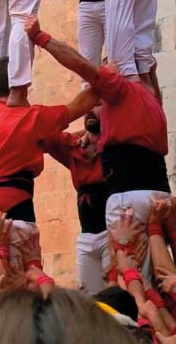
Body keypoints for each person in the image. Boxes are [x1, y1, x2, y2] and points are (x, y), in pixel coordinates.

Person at [26, 17, 173, 281]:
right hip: (89, 235)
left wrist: (41, 37)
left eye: (98, 100)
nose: (94, 108)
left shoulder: (123, 121)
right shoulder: (75, 146)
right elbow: (41, 135)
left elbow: (85, 67)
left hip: (116, 225)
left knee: (129, 284)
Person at [0, 60, 95, 298]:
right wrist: (108, 76)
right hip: (10, 217)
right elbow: (84, 103)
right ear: (22, 83)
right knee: (8, 298)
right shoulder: (29, 116)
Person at [42, 112, 110, 292]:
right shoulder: (75, 149)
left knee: (117, 295)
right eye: (86, 108)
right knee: (90, 299)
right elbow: (46, 136)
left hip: (112, 234)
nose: (91, 112)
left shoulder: (114, 145)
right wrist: (82, 135)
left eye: (96, 105)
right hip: (86, 237)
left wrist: (97, 136)